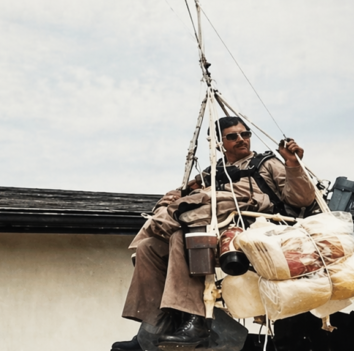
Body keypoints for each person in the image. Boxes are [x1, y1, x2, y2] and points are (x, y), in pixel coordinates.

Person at [112, 117, 318, 350]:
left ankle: (195, 322)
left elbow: (301, 199)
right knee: (148, 247)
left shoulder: (267, 163)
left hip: (252, 227)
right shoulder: (212, 171)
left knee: (184, 236)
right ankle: (153, 329)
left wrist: (292, 164)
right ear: (220, 144)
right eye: (233, 136)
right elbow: (182, 193)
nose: (241, 139)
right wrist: (172, 198)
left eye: (245, 134)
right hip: (211, 227)